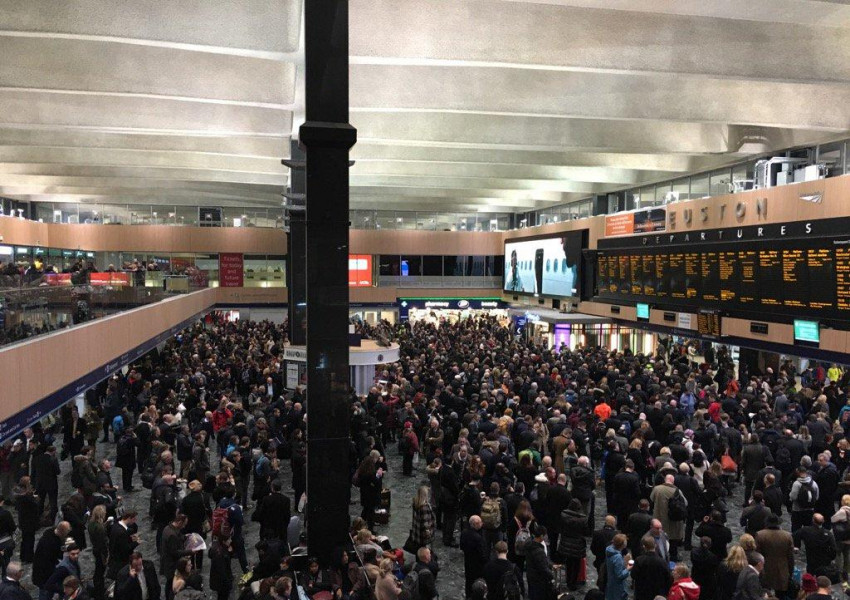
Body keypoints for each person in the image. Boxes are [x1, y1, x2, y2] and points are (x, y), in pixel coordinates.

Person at [754, 513, 793, 596]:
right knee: (781, 594)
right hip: (782, 568)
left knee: (765, 592)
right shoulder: (787, 536)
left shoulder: (760, 535)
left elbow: (757, 554)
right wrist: (791, 571)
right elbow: (790, 556)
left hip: (765, 568)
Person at [650, 474, 686, 561]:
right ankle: (673, 556)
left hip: (659, 518)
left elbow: (651, 499)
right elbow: (685, 503)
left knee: (659, 538)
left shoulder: (657, 489)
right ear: (673, 481)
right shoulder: (678, 491)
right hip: (673, 520)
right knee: (673, 539)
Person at [557, 498, 589, 590]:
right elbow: (586, 531)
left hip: (566, 541)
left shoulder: (563, 515)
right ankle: (573, 583)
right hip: (577, 544)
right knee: (576, 564)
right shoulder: (583, 519)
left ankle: (568, 580)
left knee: (569, 563)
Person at [32, 521, 71, 596]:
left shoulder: (51, 533)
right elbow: (50, 561)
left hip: (46, 573)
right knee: (45, 594)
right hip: (44, 575)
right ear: (62, 532)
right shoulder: (50, 543)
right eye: (66, 533)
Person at [460, 516, 488, 599]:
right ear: (475, 524)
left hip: (468, 562)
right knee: (478, 584)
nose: (482, 524)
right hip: (477, 565)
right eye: (480, 523)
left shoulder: (464, 533)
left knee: (468, 582)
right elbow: (482, 555)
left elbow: (462, 547)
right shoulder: (478, 538)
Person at [12, 477, 38, 563]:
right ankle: (29, 557)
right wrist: (34, 498)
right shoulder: (26, 497)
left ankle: (23, 556)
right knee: (30, 539)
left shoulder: (19, 495)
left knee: (25, 539)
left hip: (23, 520)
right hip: (29, 520)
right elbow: (34, 505)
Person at [107, 510, 139, 580]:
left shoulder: (116, 525)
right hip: (120, 562)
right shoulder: (121, 532)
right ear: (129, 518)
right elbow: (126, 549)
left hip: (115, 558)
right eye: (134, 519)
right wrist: (137, 542)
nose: (134, 521)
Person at [524, 526, 553, 600]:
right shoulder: (539, 551)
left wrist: (550, 565)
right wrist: (551, 575)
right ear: (541, 536)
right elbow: (543, 568)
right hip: (538, 580)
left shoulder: (529, 545)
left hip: (530, 575)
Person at [87, 505, 109, 600]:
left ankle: (98, 587)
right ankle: (99, 590)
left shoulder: (91, 524)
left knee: (98, 569)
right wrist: (106, 555)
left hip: (95, 548)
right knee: (100, 570)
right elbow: (103, 543)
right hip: (101, 551)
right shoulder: (100, 528)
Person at [790, 465, 819, 533]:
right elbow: (816, 497)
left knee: (796, 529)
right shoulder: (814, 483)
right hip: (810, 510)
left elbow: (793, 497)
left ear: (798, 472)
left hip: (797, 510)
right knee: (809, 529)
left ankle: (796, 543)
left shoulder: (796, 484)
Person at [604, 533, 631, 600]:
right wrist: (628, 569)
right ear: (623, 544)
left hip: (611, 582)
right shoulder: (617, 557)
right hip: (617, 586)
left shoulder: (609, 550)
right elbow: (619, 575)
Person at [410, 485, 436, 553]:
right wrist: (429, 534)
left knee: (418, 551)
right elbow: (425, 525)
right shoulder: (424, 507)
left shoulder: (416, 502)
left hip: (417, 533)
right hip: (423, 537)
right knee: (424, 552)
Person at [208, 535, 234, 600]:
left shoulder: (222, 548)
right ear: (223, 541)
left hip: (219, 582)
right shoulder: (220, 554)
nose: (230, 541)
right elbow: (222, 571)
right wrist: (228, 583)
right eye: (229, 540)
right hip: (222, 583)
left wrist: (229, 552)